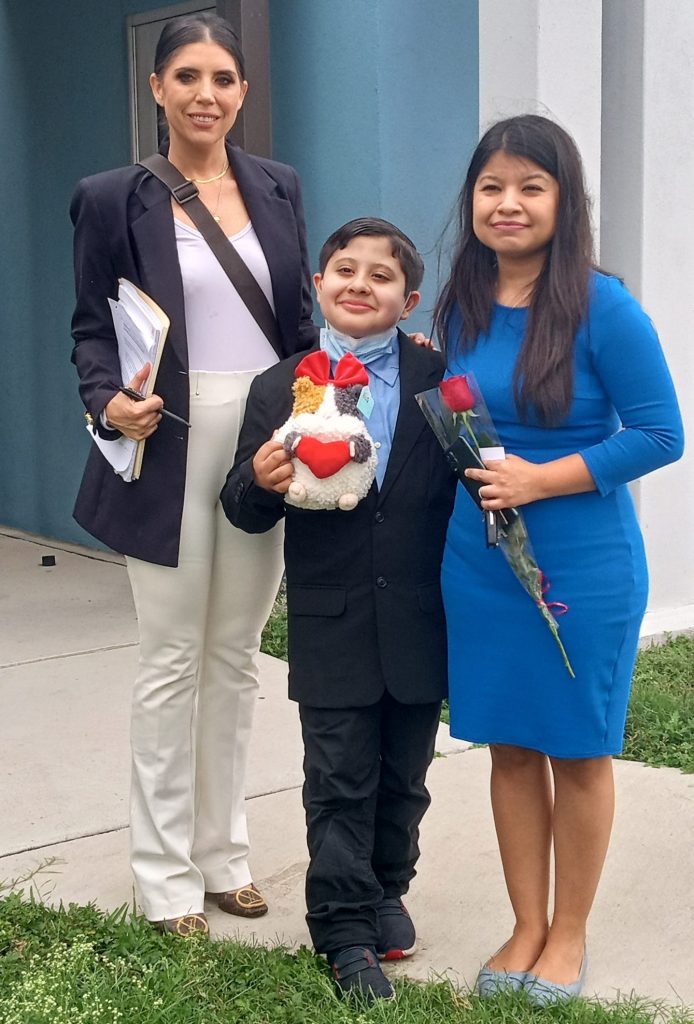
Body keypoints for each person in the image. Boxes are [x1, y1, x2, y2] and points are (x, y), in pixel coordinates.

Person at [70, 12, 316, 936]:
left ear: (242, 92)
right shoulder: (108, 197)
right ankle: (165, 877)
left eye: (223, 78)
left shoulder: (279, 188)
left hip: (263, 434)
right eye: (187, 78)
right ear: (158, 88)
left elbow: (298, 317)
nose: (206, 94)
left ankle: (224, 856)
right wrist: (107, 402)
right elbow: (92, 327)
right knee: (171, 658)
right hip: (167, 437)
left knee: (237, 656)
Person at [433, 114, 684, 1004]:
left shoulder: (602, 305)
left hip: (581, 561)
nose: (508, 204)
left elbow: (662, 433)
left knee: (578, 750)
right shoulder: (460, 302)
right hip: (479, 561)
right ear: (472, 200)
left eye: (530, 187)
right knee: (506, 747)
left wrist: (543, 482)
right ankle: (525, 925)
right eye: (493, 186)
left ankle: (569, 934)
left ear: (563, 203)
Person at [221, 218, 457, 1002]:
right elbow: (244, 511)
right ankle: (345, 932)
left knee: (407, 779)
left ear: (408, 299)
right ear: (319, 286)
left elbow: (473, 474)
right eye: (344, 270)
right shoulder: (279, 385)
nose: (360, 283)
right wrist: (257, 477)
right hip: (333, 621)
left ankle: (388, 885)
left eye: (380, 275)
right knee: (341, 781)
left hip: (422, 616)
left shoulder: (440, 382)